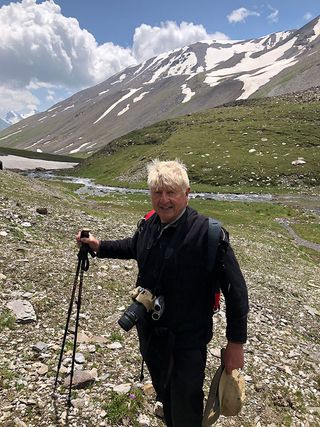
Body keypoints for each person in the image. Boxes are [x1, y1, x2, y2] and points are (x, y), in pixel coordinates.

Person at [77, 159, 249, 427]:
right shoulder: (149, 224)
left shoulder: (208, 235)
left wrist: (235, 344)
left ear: (186, 193)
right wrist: (99, 246)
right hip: (151, 337)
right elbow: (133, 247)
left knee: (186, 405)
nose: (164, 199)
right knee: (165, 394)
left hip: (187, 343)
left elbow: (236, 292)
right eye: (158, 192)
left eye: (171, 192)